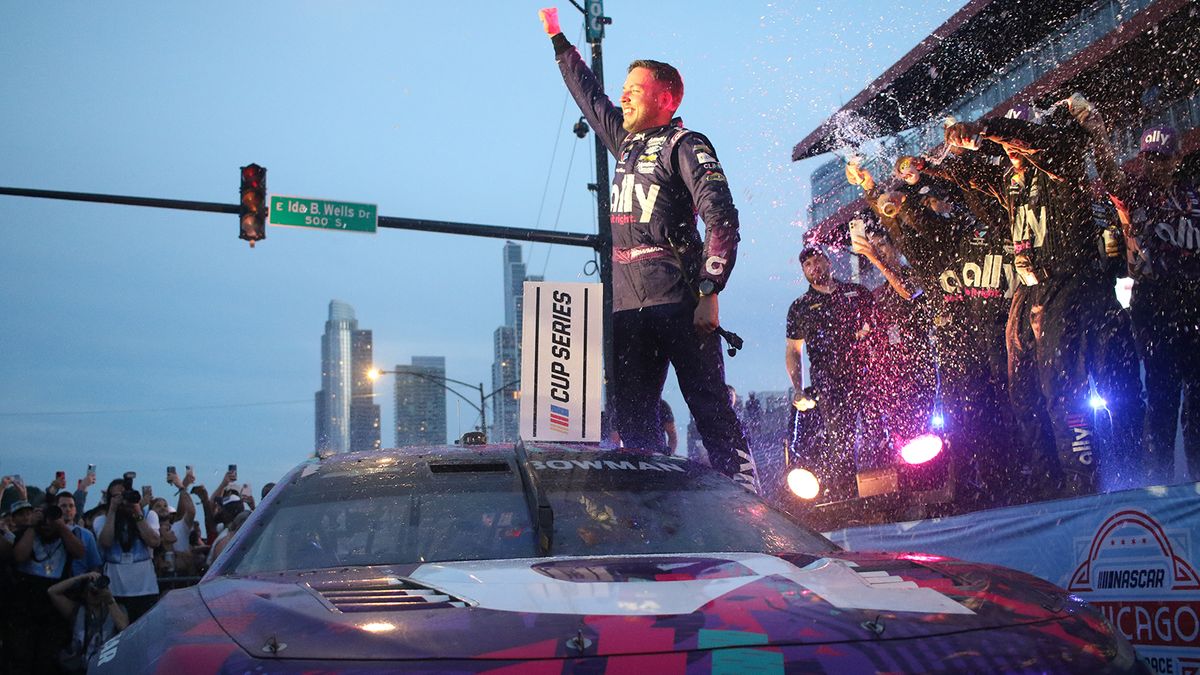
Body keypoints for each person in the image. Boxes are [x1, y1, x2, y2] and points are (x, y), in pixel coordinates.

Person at [538, 7, 756, 491]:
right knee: (634, 423)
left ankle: (747, 498)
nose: (623, 96)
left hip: (680, 299)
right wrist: (558, 39)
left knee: (709, 407)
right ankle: (651, 509)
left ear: (665, 97)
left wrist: (710, 288)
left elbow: (722, 216)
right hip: (626, 307)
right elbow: (589, 96)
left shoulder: (686, 143)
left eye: (633, 90)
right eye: (624, 89)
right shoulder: (625, 142)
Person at [946, 104, 1114, 495]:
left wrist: (987, 128)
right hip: (1028, 291)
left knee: (1061, 387)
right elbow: (970, 176)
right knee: (1023, 394)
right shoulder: (1011, 178)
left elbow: (1038, 142)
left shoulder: (1060, 163)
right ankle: (1045, 485)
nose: (1011, 151)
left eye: (1015, 140)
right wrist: (930, 164)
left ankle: (1082, 483)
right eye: (1006, 146)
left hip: (1066, 284)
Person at [1111, 125, 1200, 483]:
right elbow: (1111, 180)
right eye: (1149, 158)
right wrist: (1097, 132)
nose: (1155, 165)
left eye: (1162, 159)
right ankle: (1157, 486)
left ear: (1176, 159)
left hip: (1194, 309)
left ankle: (1195, 484)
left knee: (1197, 401)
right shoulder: (1135, 193)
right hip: (1154, 312)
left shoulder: (1193, 192)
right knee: (1162, 399)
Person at [785, 245, 874, 499]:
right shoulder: (800, 307)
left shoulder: (857, 292)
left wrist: (866, 334)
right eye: (807, 265)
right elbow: (793, 351)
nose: (813, 267)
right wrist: (798, 389)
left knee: (877, 432)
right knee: (840, 442)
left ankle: (888, 488)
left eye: (817, 260)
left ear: (828, 261)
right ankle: (847, 497)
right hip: (829, 382)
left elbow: (876, 327)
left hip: (866, 374)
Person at [851, 220, 937, 469]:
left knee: (924, 432)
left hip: (919, 368)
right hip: (895, 375)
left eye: (881, 245)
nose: (877, 251)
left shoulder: (913, 274)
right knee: (901, 438)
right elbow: (874, 330)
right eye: (873, 247)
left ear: (895, 247)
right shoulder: (880, 292)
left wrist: (872, 257)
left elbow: (907, 291)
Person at [94, 479, 160, 623]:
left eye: (124, 495)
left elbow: (154, 542)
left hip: (146, 590)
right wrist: (112, 510)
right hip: (115, 591)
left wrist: (136, 511)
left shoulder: (148, 515)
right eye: (117, 496)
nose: (122, 501)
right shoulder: (101, 520)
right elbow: (106, 542)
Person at [47, 572, 128, 673]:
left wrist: (110, 600)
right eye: (91, 589)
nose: (95, 592)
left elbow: (124, 628)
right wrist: (83, 576)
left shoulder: (116, 609)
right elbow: (52, 591)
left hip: (105, 667)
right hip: (76, 668)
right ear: (84, 592)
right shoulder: (76, 610)